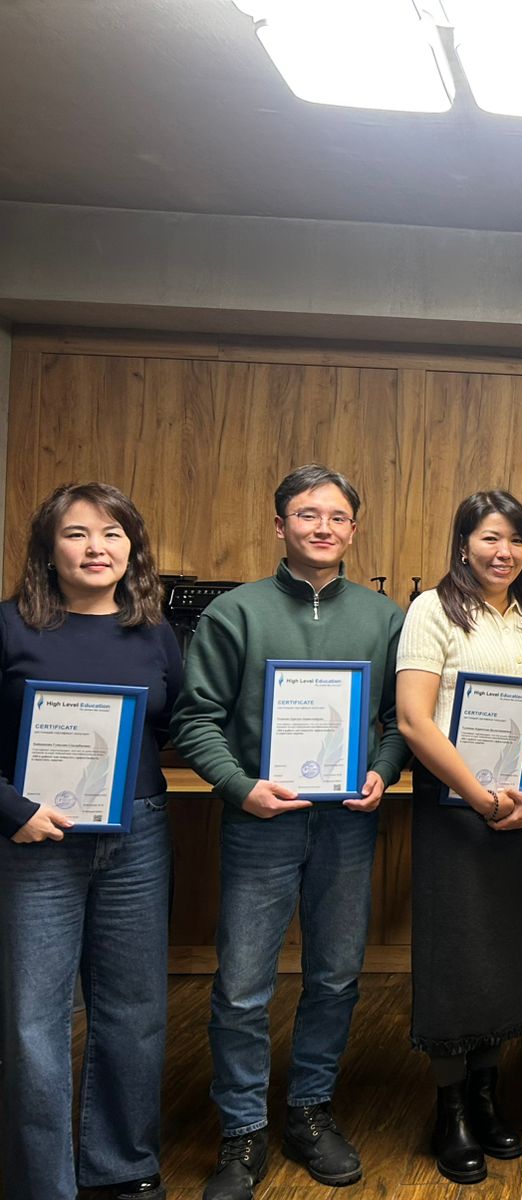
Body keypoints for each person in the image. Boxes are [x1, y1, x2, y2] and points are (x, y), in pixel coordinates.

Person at [171, 464, 409, 1200]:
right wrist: (241, 787)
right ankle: (242, 1130)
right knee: (243, 986)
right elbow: (195, 720)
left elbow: (398, 720)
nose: (322, 527)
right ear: (279, 525)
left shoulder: (384, 618)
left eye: (337, 517)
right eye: (307, 514)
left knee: (335, 977)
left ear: (353, 530)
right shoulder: (235, 613)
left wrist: (383, 770)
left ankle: (309, 1111)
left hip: (347, 825)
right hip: (260, 823)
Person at [0, 484, 184, 1200]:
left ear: (132, 548)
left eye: (112, 533)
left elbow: (172, 722)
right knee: (34, 1020)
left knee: (133, 1010)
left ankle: (121, 1165)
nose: (96, 548)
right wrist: (12, 809)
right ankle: (43, 1182)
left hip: (138, 834)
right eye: (76, 534)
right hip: (35, 840)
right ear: (49, 550)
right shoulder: (10, 626)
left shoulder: (155, 632)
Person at [395, 491, 522, 1184]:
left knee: (507, 954)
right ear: (464, 542)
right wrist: (477, 795)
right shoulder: (431, 611)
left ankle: (488, 1098)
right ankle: (451, 1110)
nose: (505, 552)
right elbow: (414, 719)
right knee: (456, 956)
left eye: (516, 540)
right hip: (456, 810)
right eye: (491, 538)